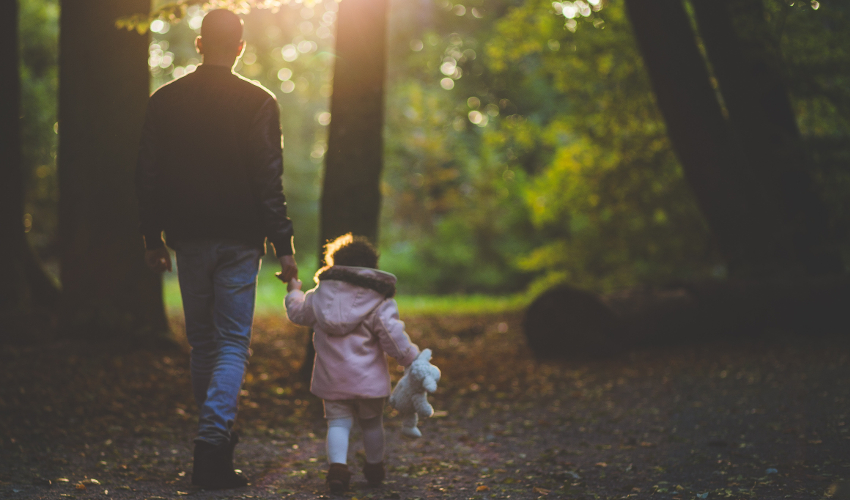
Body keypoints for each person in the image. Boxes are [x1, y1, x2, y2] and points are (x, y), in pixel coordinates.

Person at [135, 9, 298, 490]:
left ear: (200, 44)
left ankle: (216, 449)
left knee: (204, 344)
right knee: (230, 344)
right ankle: (212, 447)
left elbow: (147, 173)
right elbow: (270, 179)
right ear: (241, 47)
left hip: (188, 239)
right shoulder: (259, 102)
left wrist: (152, 237)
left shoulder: (165, 100)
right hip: (241, 239)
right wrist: (284, 245)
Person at [284, 234, 420, 493]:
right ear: (371, 267)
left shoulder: (319, 295)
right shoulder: (379, 300)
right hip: (368, 380)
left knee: (338, 423)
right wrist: (410, 359)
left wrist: (293, 292)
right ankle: (374, 467)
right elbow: (393, 336)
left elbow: (298, 313)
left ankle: (337, 469)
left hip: (332, 377)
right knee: (371, 422)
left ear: (334, 263)